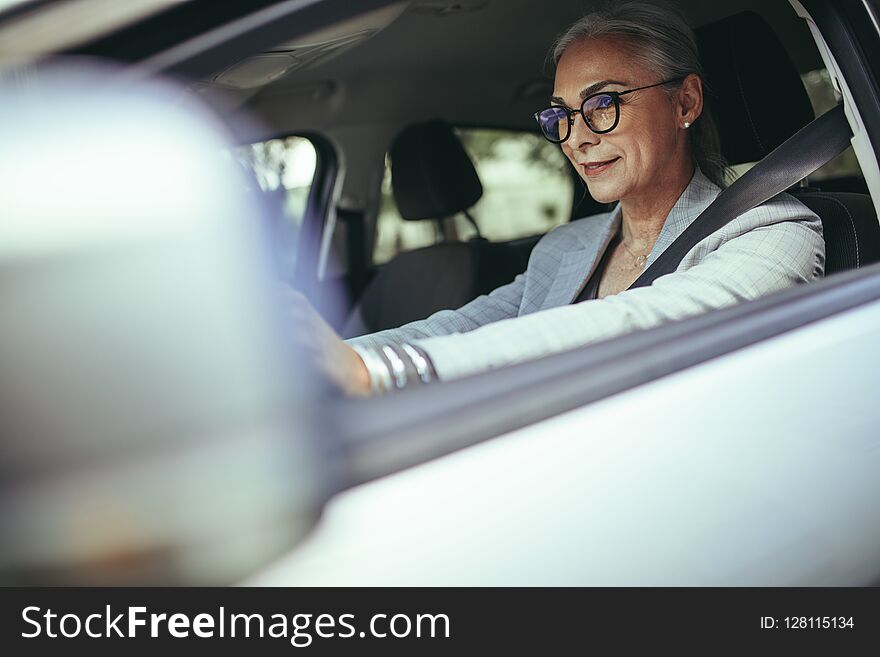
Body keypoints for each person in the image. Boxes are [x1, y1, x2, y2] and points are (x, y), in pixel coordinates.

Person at [289, 0, 824, 397]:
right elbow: (467, 324)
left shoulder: (776, 232)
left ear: (685, 101)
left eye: (603, 103)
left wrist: (385, 373)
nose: (575, 137)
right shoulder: (566, 245)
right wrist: (333, 357)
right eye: (561, 115)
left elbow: (644, 322)